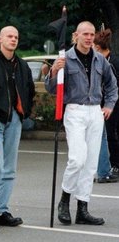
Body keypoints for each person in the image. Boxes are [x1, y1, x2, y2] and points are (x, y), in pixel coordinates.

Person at [45, 21, 118, 226]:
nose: (88, 37)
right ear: (75, 35)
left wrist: (109, 105)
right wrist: (53, 72)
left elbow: (112, 85)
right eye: (84, 33)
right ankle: (64, 200)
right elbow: (53, 90)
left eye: (91, 34)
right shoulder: (65, 58)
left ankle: (83, 208)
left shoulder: (100, 60)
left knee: (91, 163)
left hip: (95, 111)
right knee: (77, 159)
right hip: (75, 110)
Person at [0, 26, 35, 227]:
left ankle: (2, 210)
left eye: (16, 37)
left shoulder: (21, 65)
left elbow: (29, 89)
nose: (13, 40)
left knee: (9, 168)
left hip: (15, 117)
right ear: (0, 39)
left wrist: (25, 111)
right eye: (9, 36)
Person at [93, 28, 119, 182]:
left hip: (114, 102)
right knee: (108, 134)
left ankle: (115, 164)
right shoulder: (98, 60)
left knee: (112, 133)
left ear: (97, 47)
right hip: (104, 103)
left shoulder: (113, 61)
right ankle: (110, 164)